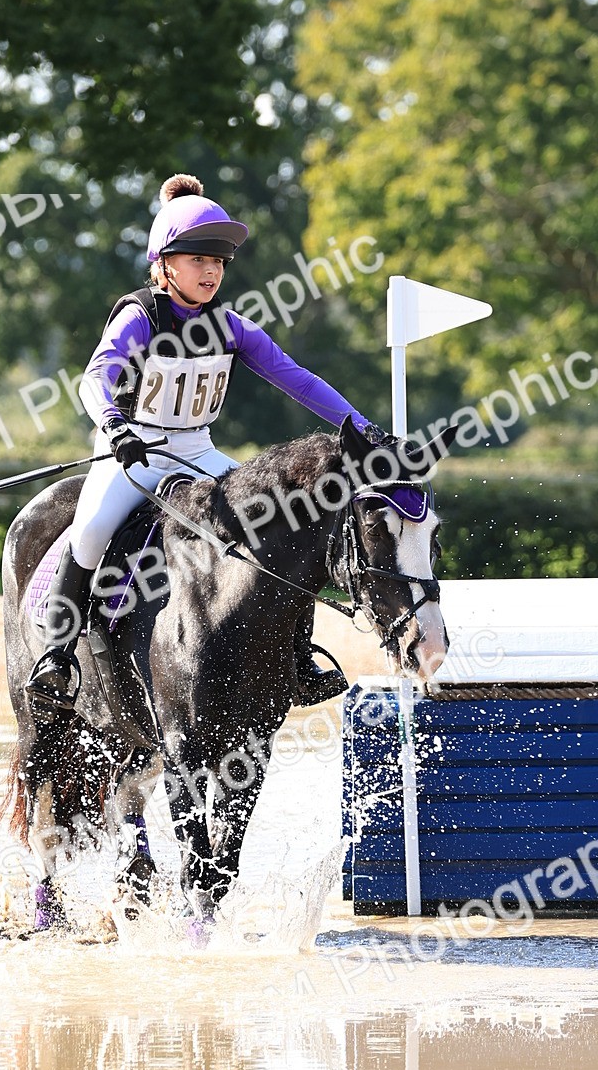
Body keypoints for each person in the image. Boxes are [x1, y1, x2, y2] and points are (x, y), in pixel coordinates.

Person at [26, 173, 382, 714]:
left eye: (217, 262)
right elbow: (94, 378)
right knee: (93, 526)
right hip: (134, 451)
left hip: (196, 450)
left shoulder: (232, 326)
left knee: (277, 519)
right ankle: (56, 656)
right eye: (198, 260)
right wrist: (116, 428)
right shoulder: (140, 316)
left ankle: (297, 656)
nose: (211, 271)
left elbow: (298, 379)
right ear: (165, 263)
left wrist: (361, 427)